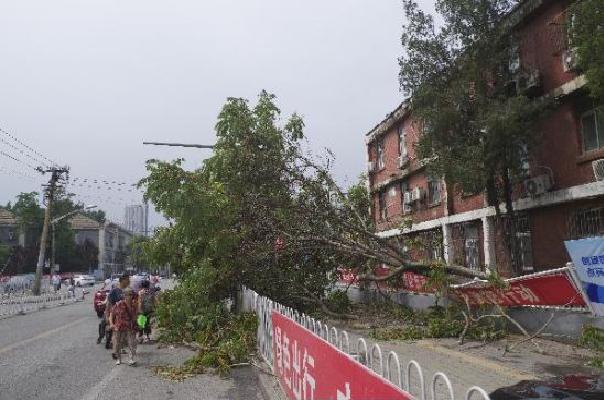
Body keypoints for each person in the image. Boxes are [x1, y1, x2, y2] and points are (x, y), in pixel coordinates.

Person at [108, 287, 137, 366]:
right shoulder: (119, 304)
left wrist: (136, 325)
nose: (130, 296)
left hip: (129, 327)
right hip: (119, 326)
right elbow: (111, 314)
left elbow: (135, 316)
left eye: (131, 294)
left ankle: (131, 359)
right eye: (129, 294)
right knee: (118, 344)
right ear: (124, 295)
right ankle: (118, 359)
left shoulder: (134, 305)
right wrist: (111, 324)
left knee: (131, 343)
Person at [105, 273, 130, 355]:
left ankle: (121, 348)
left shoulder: (128, 291)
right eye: (127, 280)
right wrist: (108, 317)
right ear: (122, 281)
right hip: (116, 316)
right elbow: (108, 305)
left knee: (124, 334)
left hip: (125, 316)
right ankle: (115, 351)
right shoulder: (114, 291)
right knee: (116, 334)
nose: (129, 281)